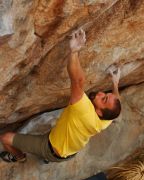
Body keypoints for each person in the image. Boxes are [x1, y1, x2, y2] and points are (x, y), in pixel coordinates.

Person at [0, 29, 121, 163]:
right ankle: (47, 157)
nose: (100, 93)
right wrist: (115, 83)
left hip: (49, 148)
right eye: (106, 94)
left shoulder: (84, 112)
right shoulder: (105, 119)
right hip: (70, 150)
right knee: (59, 133)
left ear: (99, 111)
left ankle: (19, 157)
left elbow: (78, 81)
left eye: (103, 98)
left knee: (5, 138)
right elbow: (116, 104)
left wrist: (74, 51)